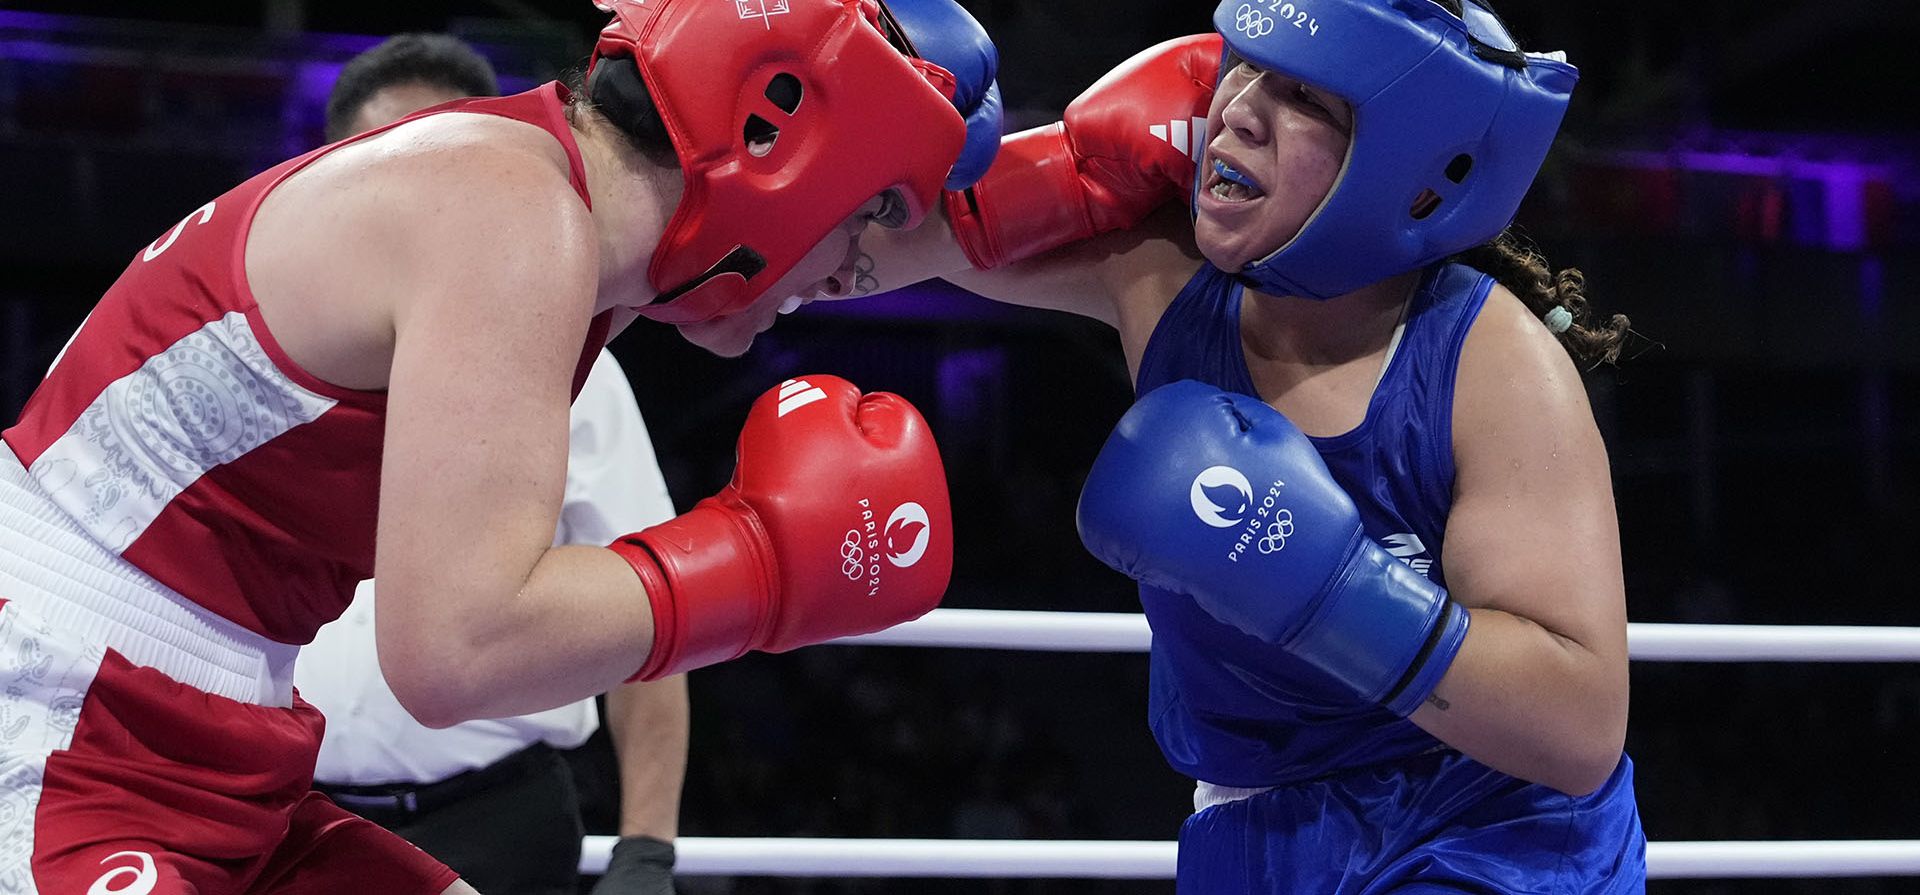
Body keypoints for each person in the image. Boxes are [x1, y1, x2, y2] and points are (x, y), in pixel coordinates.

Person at [0, 0, 999, 891]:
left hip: (201, 717)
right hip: (65, 708)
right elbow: (459, 651)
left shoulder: (546, 196)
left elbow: (858, 237)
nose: (855, 269)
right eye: (861, 218)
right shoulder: (515, 222)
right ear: (779, 166)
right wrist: (766, 564)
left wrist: (1062, 186)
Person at [852, 0, 1646, 889]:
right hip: (1251, 834)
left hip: (1489, 830)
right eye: (1244, 65)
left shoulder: (1490, 362)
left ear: (1412, 174)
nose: (1236, 107)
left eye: (1305, 94)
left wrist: (1329, 590)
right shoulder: (1158, 282)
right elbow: (866, 247)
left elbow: (1578, 729)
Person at [300, 34, 686, 895]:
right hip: (288, 814)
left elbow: (652, 601)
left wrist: (646, 847)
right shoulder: (277, 352)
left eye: (440, 157)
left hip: (495, 821)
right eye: (383, 163)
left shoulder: (575, 352)